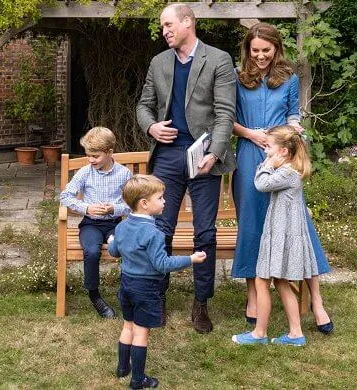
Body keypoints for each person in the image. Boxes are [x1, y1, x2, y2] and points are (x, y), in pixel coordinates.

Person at [136, 3, 236, 333]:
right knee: (160, 231)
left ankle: (201, 303)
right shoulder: (159, 62)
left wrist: (216, 152)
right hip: (166, 157)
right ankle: (157, 298)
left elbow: (225, 114)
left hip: (204, 158)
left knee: (204, 233)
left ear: (187, 22)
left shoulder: (218, 59)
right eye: (162, 26)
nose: (164, 31)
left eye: (168, 24)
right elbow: (143, 105)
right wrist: (151, 127)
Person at [231, 22, 333, 334]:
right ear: (248, 49)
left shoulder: (288, 78)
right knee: (252, 223)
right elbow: (228, 118)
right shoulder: (237, 78)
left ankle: (316, 300)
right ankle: (253, 294)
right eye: (255, 50)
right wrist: (252, 134)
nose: (260, 56)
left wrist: (293, 128)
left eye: (266, 50)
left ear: (277, 49)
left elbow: (293, 114)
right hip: (250, 155)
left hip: (282, 155)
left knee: (298, 223)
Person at [108, 174, 206, 389]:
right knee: (141, 332)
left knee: (128, 326)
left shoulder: (122, 227)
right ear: (144, 204)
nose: (164, 202)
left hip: (126, 284)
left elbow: (114, 251)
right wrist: (190, 259)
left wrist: (111, 240)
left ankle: (123, 368)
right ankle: (138, 380)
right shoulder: (154, 233)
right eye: (160, 198)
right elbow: (162, 264)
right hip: (146, 288)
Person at [232, 125, 320, 346]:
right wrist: (270, 162)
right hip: (280, 235)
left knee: (262, 281)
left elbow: (261, 184)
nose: (266, 151)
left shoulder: (287, 173)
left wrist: (266, 164)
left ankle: (259, 334)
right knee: (280, 282)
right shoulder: (290, 171)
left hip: (281, 237)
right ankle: (295, 334)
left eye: (269, 147)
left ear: (284, 151)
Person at [59, 127, 132, 318]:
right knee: (91, 251)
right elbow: (65, 196)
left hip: (115, 224)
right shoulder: (85, 172)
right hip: (91, 224)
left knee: (126, 248)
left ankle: (126, 292)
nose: (91, 160)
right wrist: (86, 208)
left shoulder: (124, 174)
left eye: (95, 156)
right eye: (88, 156)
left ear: (109, 152)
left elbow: (132, 204)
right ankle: (94, 295)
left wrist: (114, 209)